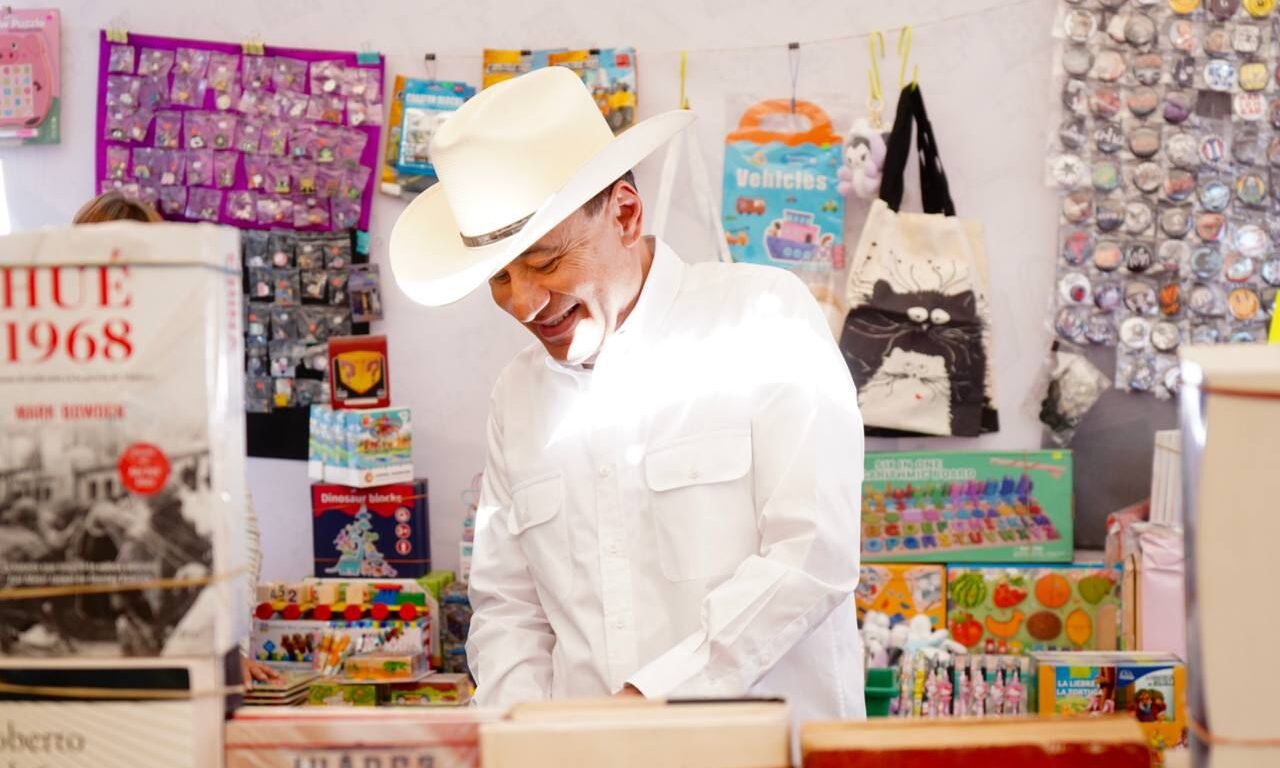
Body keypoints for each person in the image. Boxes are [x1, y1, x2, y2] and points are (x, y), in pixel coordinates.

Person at [390, 67, 865, 721]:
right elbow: (508, 609)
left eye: (546, 261)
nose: (523, 304)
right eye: (499, 278)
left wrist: (647, 703)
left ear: (625, 213)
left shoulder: (765, 319)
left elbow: (812, 553)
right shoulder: (517, 397)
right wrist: (524, 733)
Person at [73, 190, 279, 684]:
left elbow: (239, 529)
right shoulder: (45, 371)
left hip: (173, 641)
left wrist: (230, 642)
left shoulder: (187, 376)